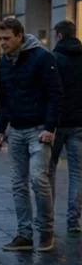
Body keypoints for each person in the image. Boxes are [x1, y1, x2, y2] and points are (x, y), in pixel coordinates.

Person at [0, 18, 64, 252]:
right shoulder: (3, 63)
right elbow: (3, 99)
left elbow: (55, 94)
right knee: (17, 184)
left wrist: (49, 128)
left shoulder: (42, 58)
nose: (2, 43)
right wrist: (0, 129)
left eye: (6, 38)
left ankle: (46, 232)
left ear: (19, 36)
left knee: (37, 179)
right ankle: (24, 235)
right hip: (16, 130)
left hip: (38, 130)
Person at [49, 20, 82, 234]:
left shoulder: (53, 59)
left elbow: (50, 90)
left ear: (59, 36)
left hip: (56, 123)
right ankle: (74, 220)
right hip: (79, 123)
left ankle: (47, 217)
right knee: (76, 172)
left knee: (48, 169)